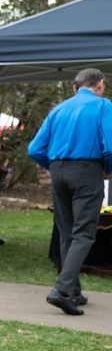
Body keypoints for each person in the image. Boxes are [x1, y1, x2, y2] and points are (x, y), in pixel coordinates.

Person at [27, 68, 112, 316]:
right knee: (84, 233)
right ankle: (62, 291)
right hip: (87, 170)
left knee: (66, 233)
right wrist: (107, 170)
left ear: (74, 88)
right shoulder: (103, 106)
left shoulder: (58, 109)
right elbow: (110, 145)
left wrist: (53, 165)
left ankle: (73, 291)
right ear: (101, 85)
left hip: (58, 171)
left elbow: (34, 148)